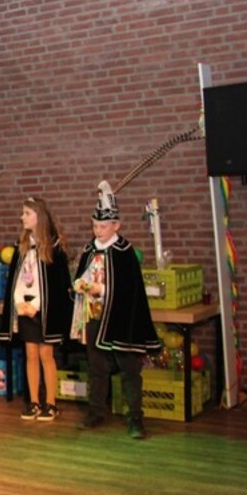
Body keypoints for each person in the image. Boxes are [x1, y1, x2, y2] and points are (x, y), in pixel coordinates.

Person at [72, 181, 162, 439]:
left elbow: (130, 290)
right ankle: (96, 412)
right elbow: (82, 275)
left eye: (103, 227)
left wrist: (102, 289)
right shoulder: (89, 249)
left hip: (121, 320)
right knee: (96, 367)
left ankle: (135, 419)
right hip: (95, 316)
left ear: (116, 226)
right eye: (95, 226)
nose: (98, 231)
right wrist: (79, 284)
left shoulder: (125, 252)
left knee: (129, 369)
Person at [0, 197, 73, 421]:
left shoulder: (53, 246)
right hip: (24, 308)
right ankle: (33, 401)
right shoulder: (21, 245)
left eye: (26, 213)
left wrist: (37, 306)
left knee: (46, 354)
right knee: (30, 354)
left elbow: (56, 285)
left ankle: (50, 403)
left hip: (44, 309)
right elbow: (16, 280)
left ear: (38, 216)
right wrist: (19, 303)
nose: (22, 217)